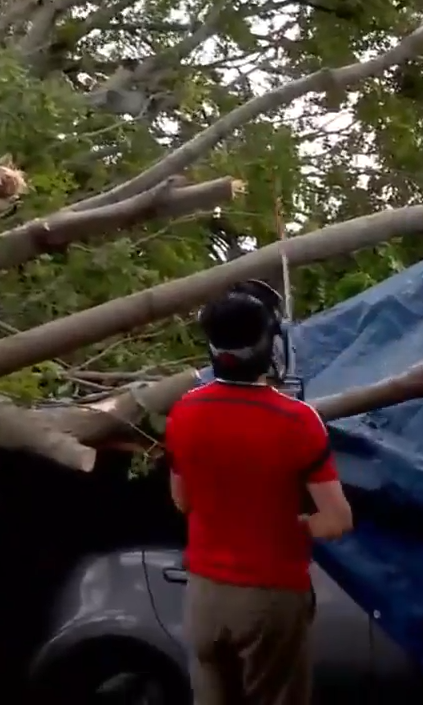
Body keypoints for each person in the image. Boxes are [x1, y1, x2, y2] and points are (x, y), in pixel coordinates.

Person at [164, 280, 354, 705]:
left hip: (204, 595)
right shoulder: (298, 420)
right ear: (272, 345)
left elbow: (183, 500)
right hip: (270, 597)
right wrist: (292, 523)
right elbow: (336, 520)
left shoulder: (184, 411)